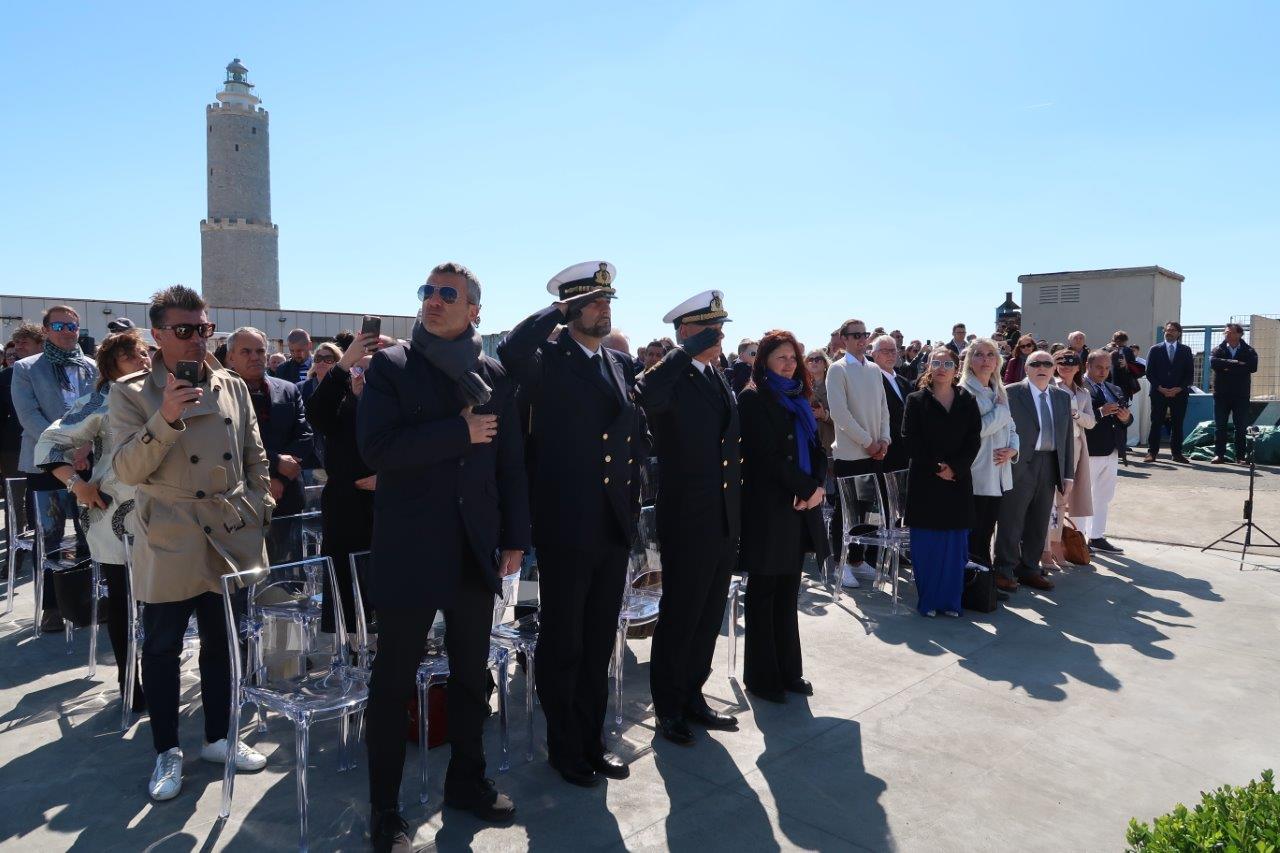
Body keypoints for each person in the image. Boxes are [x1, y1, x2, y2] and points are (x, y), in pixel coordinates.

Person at [359, 262, 529, 845]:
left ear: (474, 309)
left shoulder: (494, 374)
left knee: (468, 677)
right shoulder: (392, 365)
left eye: (447, 293)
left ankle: (467, 781)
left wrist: (514, 538)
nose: (433, 300)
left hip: (473, 549)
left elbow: (509, 463)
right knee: (392, 682)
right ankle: (384, 808)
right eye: (427, 291)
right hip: (410, 549)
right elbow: (377, 449)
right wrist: (456, 432)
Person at [111, 285, 272, 802]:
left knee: (225, 640)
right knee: (161, 648)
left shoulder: (232, 385)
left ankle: (219, 738)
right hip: (171, 536)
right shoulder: (131, 392)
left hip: (229, 532)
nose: (198, 340)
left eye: (204, 329)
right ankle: (167, 750)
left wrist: (259, 508)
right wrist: (166, 419)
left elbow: (255, 453)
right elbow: (127, 469)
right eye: (184, 331)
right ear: (156, 335)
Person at [497, 260, 643, 787]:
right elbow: (508, 351)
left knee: (600, 640)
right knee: (565, 643)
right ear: (572, 307)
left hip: (610, 526)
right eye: (595, 301)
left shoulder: (619, 365)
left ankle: (592, 739)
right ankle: (565, 747)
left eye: (609, 302)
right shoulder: (547, 358)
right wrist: (554, 312)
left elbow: (630, 442)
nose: (605, 310)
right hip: (564, 523)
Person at [636, 289, 741, 746]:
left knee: (707, 616)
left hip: (720, 518)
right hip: (687, 517)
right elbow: (646, 394)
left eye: (720, 329)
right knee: (680, 615)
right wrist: (683, 353)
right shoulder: (673, 377)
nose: (718, 337)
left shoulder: (718, 378)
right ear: (684, 332)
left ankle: (694, 694)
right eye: (707, 330)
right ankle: (669, 706)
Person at [34, 330, 150, 710]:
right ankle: (128, 679)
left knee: (165, 602)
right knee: (124, 600)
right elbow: (50, 443)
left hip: (167, 514)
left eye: (146, 354)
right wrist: (77, 486)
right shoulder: (100, 400)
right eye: (133, 356)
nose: (143, 361)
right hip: (114, 514)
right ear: (111, 364)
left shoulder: (163, 394)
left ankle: (159, 674)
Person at [738, 330, 828, 702]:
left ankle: (790, 671)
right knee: (764, 593)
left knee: (788, 591)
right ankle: (762, 678)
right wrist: (804, 489)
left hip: (799, 506)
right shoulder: (753, 397)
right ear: (764, 362)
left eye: (794, 358)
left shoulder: (798, 397)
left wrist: (816, 487)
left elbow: (815, 446)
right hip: (769, 507)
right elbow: (765, 455)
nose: (790, 365)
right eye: (781, 358)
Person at [10, 305, 96, 631]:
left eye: (72, 326)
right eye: (58, 325)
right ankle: (52, 607)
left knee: (91, 534)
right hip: (45, 464)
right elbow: (29, 416)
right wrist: (62, 450)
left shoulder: (91, 367)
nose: (66, 331)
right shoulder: (26, 368)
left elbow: (101, 411)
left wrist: (85, 447)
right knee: (51, 537)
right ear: (45, 330)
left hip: (87, 462)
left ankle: (86, 602)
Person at [304, 331, 380, 635]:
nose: (362, 376)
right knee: (346, 590)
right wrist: (342, 368)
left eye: (370, 371)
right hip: (346, 508)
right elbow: (316, 412)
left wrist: (392, 479)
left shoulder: (395, 406)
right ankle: (349, 652)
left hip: (388, 506)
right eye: (357, 369)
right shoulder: (341, 404)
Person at [901, 348, 981, 617]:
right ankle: (929, 602)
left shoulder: (967, 401)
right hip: (926, 483)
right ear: (928, 367)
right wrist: (938, 467)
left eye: (948, 363)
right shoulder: (915, 400)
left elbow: (974, 440)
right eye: (936, 362)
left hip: (957, 483)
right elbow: (910, 439)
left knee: (953, 548)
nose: (942, 367)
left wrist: (955, 468)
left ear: (956, 369)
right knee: (927, 547)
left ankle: (950, 602)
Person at [993, 350, 1074, 593]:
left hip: (1049, 464)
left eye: (1047, 363)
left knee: (1040, 521)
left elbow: (1066, 437)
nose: (1042, 367)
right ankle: (1004, 570)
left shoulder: (1061, 397)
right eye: (1035, 363)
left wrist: (1067, 474)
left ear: (1054, 369)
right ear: (1026, 368)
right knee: (1011, 519)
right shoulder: (1011, 393)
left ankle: (1029, 568)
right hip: (1018, 463)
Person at [825, 318, 890, 588]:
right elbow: (840, 414)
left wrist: (884, 439)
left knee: (868, 513)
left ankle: (856, 559)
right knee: (846, 512)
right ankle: (838, 564)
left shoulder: (874, 369)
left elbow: (884, 408)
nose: (862, 339)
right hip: (851, 455)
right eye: (856, 335)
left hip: (874, 453)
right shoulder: (837, 370)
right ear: (844, 338)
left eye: (865, 334)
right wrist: (867, 441)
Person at [222, 328, 313, 522]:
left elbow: (304, 436)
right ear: (231, 357)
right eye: (246, 352)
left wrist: (282, 479)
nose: (255, 357)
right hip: (240, 500)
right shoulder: (219, 394)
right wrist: (274, 467)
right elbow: (226, 442)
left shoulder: (288, 390)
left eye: (260, 351)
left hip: (287, 496)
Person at [960, 339, 1017, 584]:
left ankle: (987, 582)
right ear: (970, 361)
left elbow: (1012, 428)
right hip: (978, 472)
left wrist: (1013, 450)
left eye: (990, 355)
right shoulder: (964, 391)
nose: (985, 360)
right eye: (979, 355)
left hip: (1000, 470)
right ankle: (976, 583)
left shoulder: (998, 389)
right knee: (976, 533)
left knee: (987, 530)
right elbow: (974, 430)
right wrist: (1001, 413)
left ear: (997, 361)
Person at [1042, 350, 1094, 569]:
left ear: (1078, 367)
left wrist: (1075, 415)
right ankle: (1044, 550)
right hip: (1053, 450)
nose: (1066, 367)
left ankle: (1056, 547)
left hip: (1075, 448)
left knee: (1062, 500)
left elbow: (1091, 422)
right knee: (1047, 502)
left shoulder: (1083, 393)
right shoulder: (1048, 388)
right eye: (1061, 363)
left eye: (1071, 364)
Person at [1080, 351, 1132, 553]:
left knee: (1104, 496)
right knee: (1083, 497)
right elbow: (1081, 417)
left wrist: (1126, 418)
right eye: (1099, 367)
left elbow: (1128, 419)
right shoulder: (1079, 387)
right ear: (1088, 366)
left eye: (1107, 368)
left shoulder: (1114, 388)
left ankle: (1096, 536)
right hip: (1090, 449)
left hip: (1112, 449)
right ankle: (1078, 537)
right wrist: (1102, 411)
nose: (1103, 372)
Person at [1144, 321, 1194, 463]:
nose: (1169, 332)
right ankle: (1152, 453)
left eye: (1172, 330)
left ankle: (1177, 453)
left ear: (1178, 333)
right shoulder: (1155, 349)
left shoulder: (1185, 350)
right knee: (1156, 422)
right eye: (1167, 330)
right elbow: (1149, 372)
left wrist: (1178, 388)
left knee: (1177, 423)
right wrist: (1160, 388)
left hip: (1179, 394)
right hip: (1159, 393)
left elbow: (1189, 374)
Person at [1209, 323, 1258, 464]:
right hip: (1221, 395)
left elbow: (1252, 367)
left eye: (1230, 332)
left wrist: (1226, 367)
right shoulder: (1218, 349)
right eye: (1225, 333)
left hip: (1241, 395)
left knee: (1240, 427)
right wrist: (1237, 364)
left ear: (1239, 334)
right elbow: (1214, 363)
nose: (1227, 335)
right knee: (1220, 426)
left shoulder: (1249, 351)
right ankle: (1219, 455)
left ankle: (1240, 457)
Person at [1, 323, 45, 479]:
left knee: (42, 499)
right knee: (15, 498)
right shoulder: (6, 375)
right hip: (13, 446)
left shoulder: (54, 371)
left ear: (41, 343)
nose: (19, 346)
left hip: (47, 443)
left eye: (24, 342)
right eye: (17, 342)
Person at [870, 335, 911, 472]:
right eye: (885, 351)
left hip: (907, 449)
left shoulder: (903, 382)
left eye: (893, 351)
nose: (890, 355)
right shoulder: (871, 380)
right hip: (884, 449)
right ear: (874, 354)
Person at [805, 349, 836, 461]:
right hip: (810, 445)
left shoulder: (835, 385)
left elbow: (845, 417)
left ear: (825, 364)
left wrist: (825, 416)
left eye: (818, 359)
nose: (814, 362)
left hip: (831, 444)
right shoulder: (801, 389)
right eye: (810, 359)